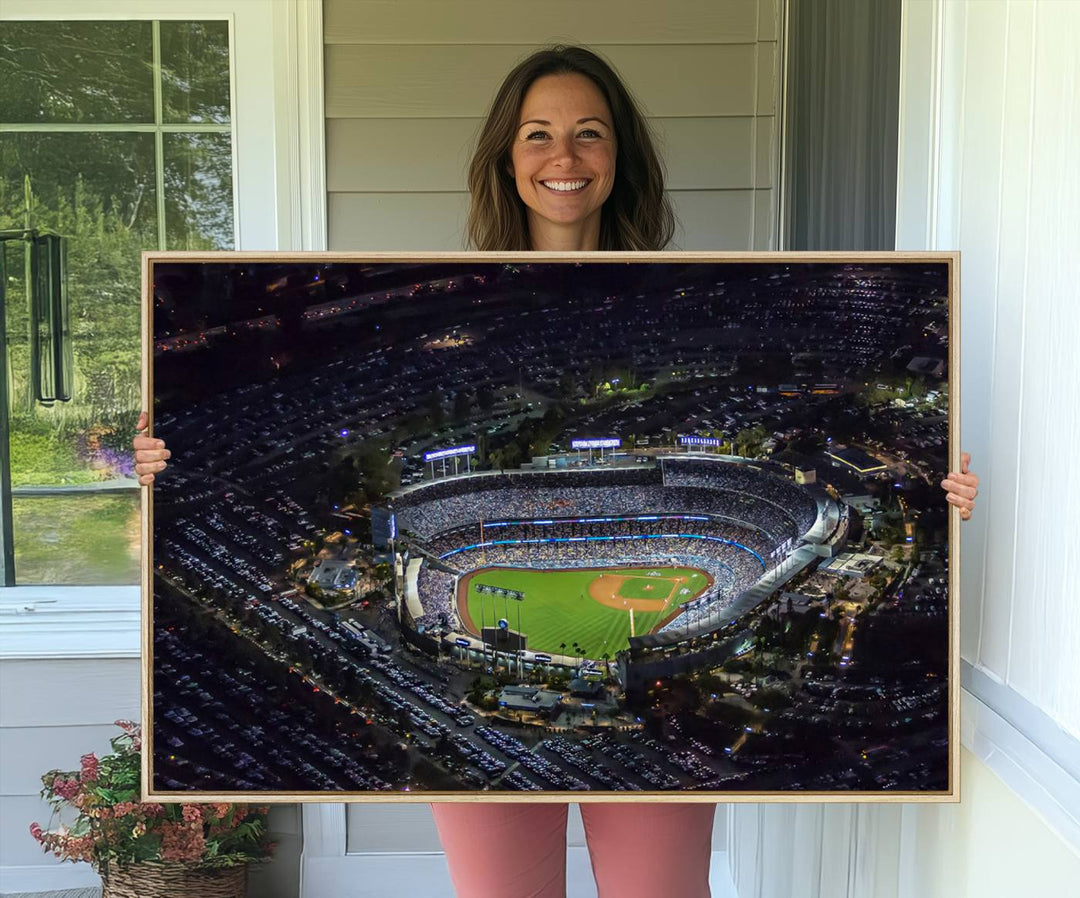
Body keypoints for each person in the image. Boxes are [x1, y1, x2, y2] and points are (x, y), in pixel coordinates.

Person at [134, 45, 979, 898]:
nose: (564, 157)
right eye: (538, 135)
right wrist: (167, 460)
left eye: (588, 134)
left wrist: (939, 495)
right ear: (507, 157)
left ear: (620, 158)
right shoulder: (448, 314)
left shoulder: (680, 303)